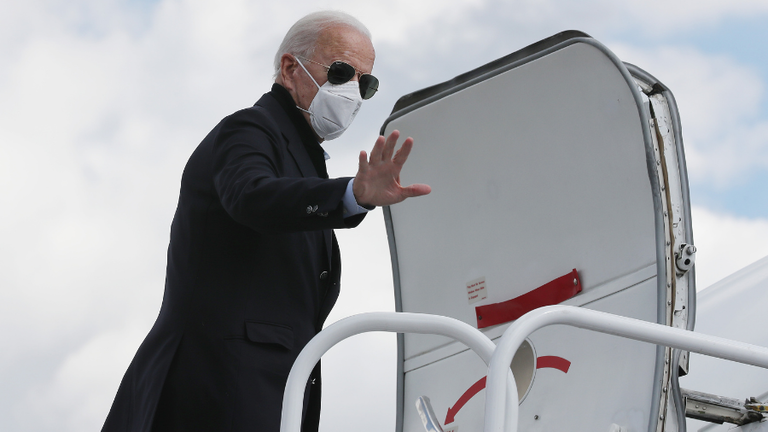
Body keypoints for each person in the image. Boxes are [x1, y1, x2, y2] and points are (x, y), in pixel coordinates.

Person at [101, 10, 430, 432]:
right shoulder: (250, 129)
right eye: (340, 72)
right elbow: (251, 196)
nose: (352, 92)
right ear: (290, 69)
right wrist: (351, 195)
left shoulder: (303, 158)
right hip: (214, 390)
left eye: (364, 83)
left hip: (263, 396)